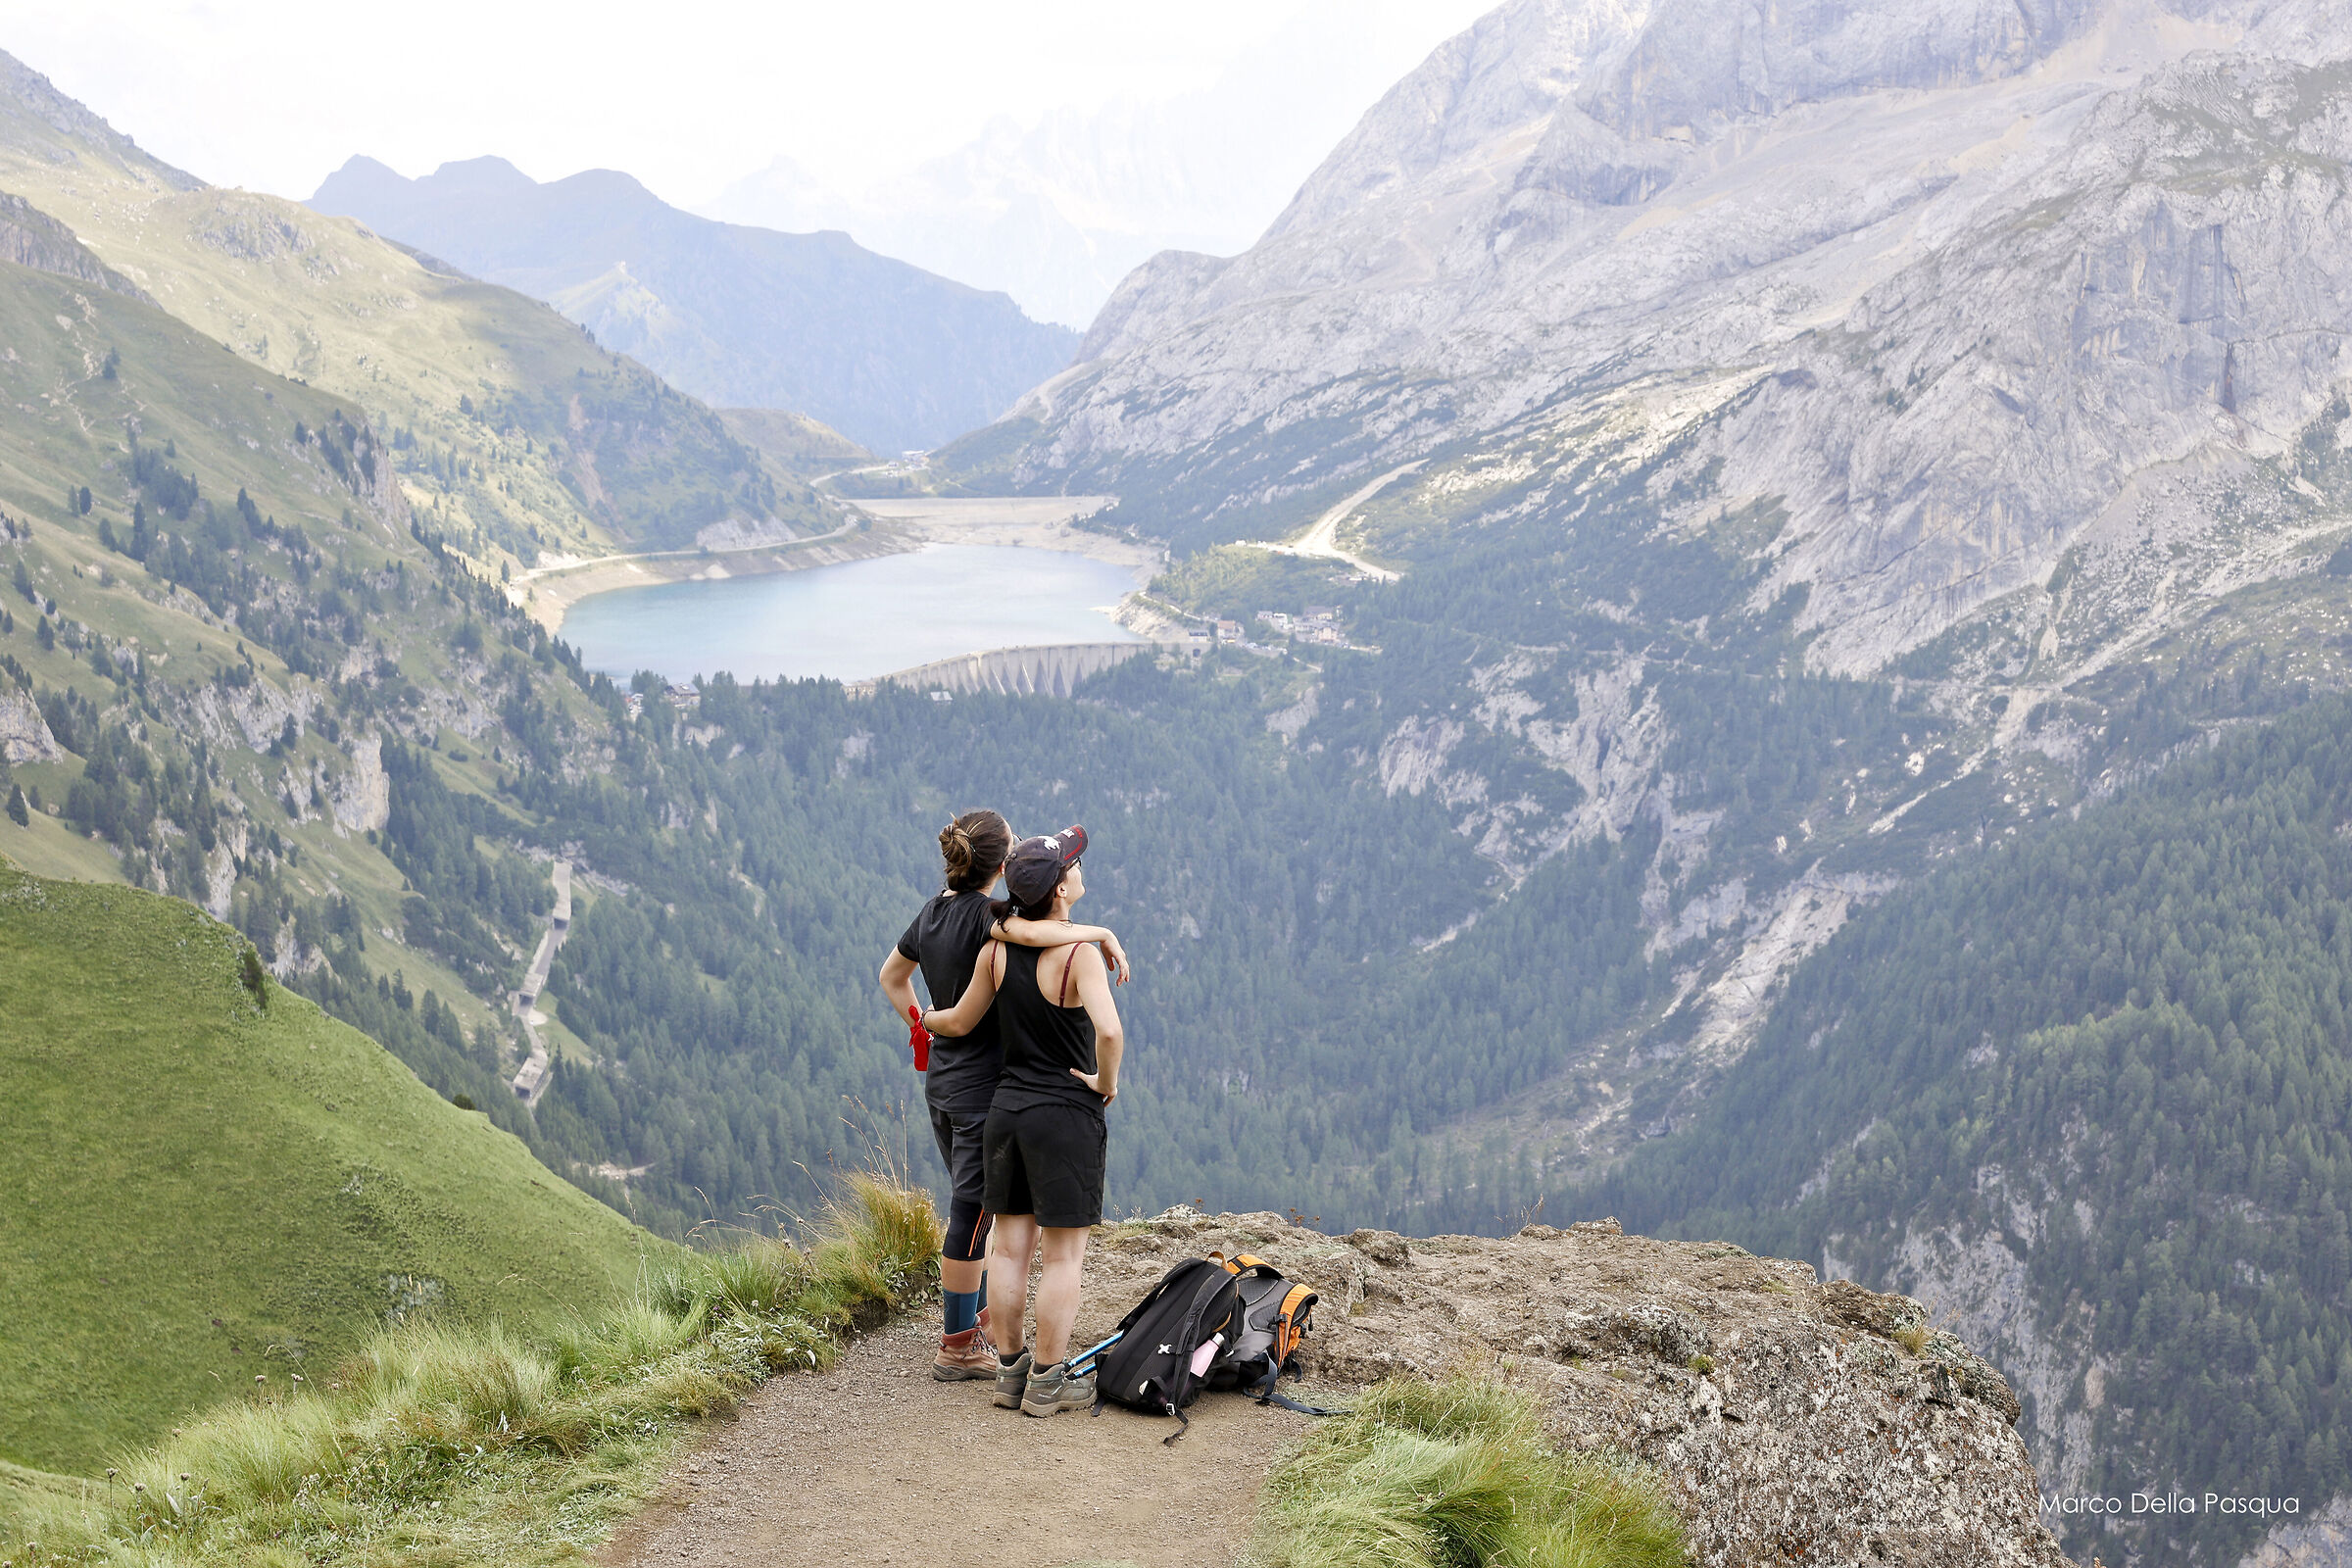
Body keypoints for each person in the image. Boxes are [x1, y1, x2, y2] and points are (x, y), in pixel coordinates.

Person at [878, 810, 1129, 1381]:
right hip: (984, 1089)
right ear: (999, 865)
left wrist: (923, 1024)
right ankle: (958, 1343)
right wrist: (1099, 932)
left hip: (943, 1081)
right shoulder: (986, 920)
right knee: (974, 1212)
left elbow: (892, 975)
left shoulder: (934, 911)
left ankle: (988, 1326)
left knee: (991, 1217)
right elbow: (1038, 934)